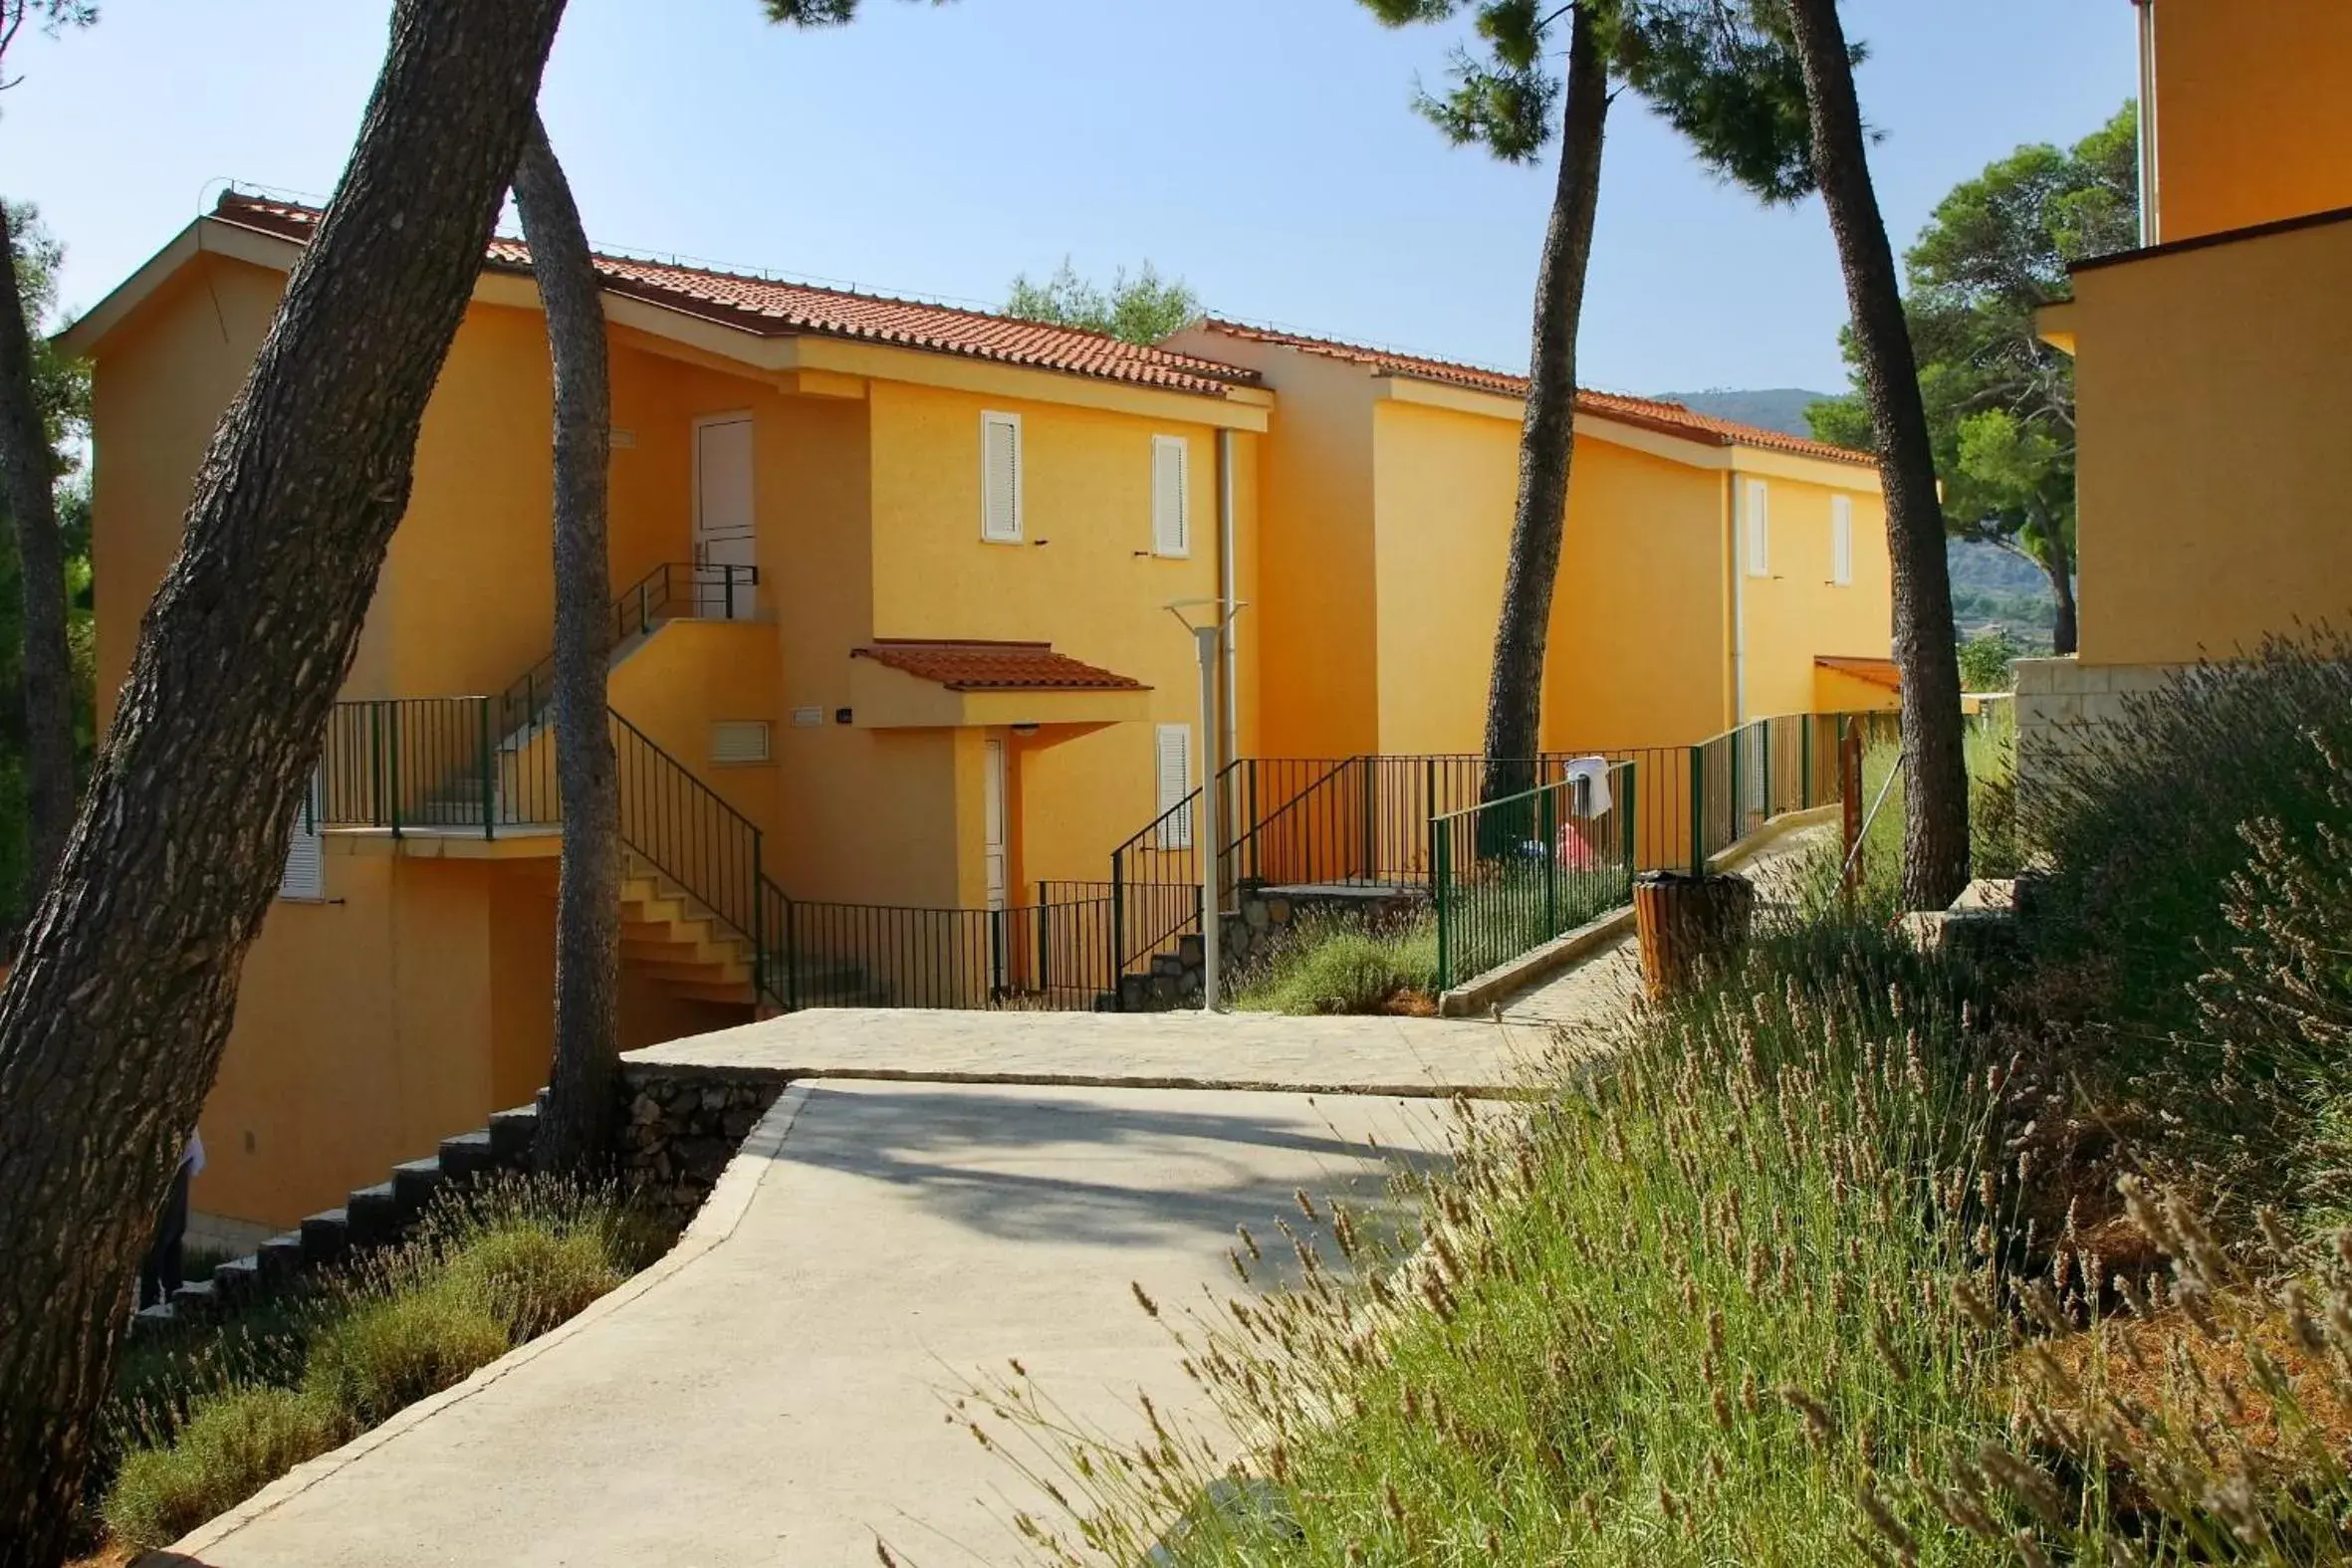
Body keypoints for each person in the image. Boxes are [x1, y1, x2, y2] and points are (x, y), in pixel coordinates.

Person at [138, 1130, 206, 1309]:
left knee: (171, 1233)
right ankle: (153, 1295)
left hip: (176, 1162)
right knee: (159, 1235)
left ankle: (170, 1292)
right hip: (164, 1164)